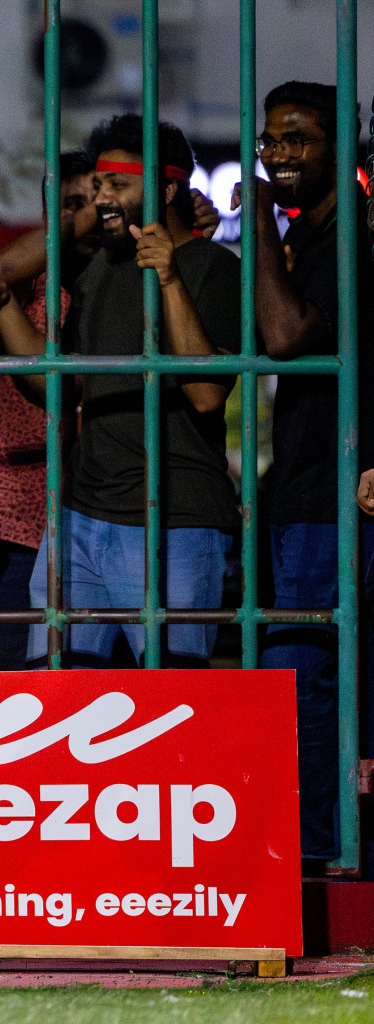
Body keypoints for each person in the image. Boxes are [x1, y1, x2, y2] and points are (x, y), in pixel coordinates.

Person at [0, 114, 241, 669]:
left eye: (118, 184)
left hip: (174, 523)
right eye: (97, 187)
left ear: (168, 187)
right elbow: (58, 387)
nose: (102, 200)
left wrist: (168, 277)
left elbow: (206, 394)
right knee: (54, 696)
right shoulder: (99, 268)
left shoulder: (212, 265)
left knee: (172, 705)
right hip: (78, 519)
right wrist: (1, 309)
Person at [244, 82, 374, 865]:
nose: (282, 155)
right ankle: (327, 850)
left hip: (332, 491)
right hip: (307, 488)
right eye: (272, 141)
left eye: (299, 140)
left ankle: (321, 855)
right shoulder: (317, 241)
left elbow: (287, 336)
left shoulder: (345, 245)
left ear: (337, 148)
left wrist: (257, 221)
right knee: (309, 678)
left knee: (303, 679)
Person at [0, 152, 98, 669]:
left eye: (91, 203)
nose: (82, 216)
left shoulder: (121, 270)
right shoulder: (28, 272)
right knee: (16, 670)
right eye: (67, 206)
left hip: (100, 503)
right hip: (23, 508)